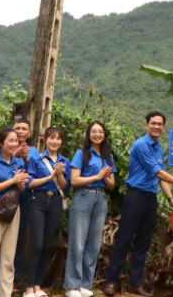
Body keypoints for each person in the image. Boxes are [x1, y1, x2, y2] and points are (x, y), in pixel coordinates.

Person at [103, 111, 173, 297]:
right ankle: (111, 283)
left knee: (143, 243)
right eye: (153, 123)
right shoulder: (141, 145)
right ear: (146, 125)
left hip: (151, 200)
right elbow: (157, 172)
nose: (156, 127)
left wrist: (170, 198)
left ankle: (134, 284)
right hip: (135, 197)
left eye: (160, 124)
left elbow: (161, 177)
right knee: (124, 240)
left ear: (163, 127)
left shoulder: (158, 148)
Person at [65, 121, 116, 297]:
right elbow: (74, 180)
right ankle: (72, 285)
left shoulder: (108, 156)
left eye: (100, 131)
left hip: (101, 198)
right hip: (83, 196)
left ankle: (86, 284)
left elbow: (111, 185)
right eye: (94, 131)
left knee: (93, 244)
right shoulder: (82, 153)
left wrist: (106, 177)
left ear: (104, 135)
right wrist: (97, 176)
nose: (97, 134)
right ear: (89, 134)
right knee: (77, 242)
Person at [0, 127, 30, 297]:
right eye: (10, 140)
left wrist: (21, 181)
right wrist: (13, 179)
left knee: (8, 256)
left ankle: (6, 293)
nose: (14, 144)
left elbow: (21, 189)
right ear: (1, 143)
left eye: (16, 141)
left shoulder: (19, 163)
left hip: (13, 208)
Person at [23, 126, 70, 297]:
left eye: (58, 138)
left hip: (56, 202)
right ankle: (29, 288)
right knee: (37, 244)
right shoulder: (37, 159)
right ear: (45, 139)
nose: (54, 141)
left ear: (61, 141)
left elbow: (66, 187)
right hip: (38, 201)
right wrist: (50, 177)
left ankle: (38, 286)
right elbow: (29, 183)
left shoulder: (65, 161)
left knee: (47, 246)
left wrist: (60, 176)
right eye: (51, 138)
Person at [12, 117, 41, 281]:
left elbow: (36, 172)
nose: (21, 131)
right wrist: (15, 154)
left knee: (20, 237)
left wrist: (26, 159)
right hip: (6, 195)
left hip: (26, 197)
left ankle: (13, 278)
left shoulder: (34, 151)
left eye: (24, 128)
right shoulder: (5, 147)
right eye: (18, 128)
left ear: (29, 133)